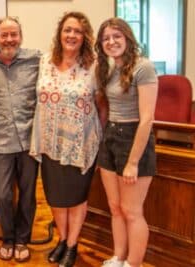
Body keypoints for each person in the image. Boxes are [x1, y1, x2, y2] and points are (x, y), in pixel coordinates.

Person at [29, 11, 102, 267]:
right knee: (56, 196)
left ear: (85, 37)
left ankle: (72, 244)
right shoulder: (45, 60)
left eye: (77, 31)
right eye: (67, 30)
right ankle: (61, 239)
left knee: (76, 196)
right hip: (50, 141)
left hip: (80, 143)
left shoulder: (94, 65)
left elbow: (102, 103)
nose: (71, 35)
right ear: (60, 33)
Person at [95, 18, 158, 267]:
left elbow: (147, 119)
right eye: (106, 38)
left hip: (134, 139)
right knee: (115, 207)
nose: (111, 42)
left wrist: (132, 162)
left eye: (116, 36)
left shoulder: (143, 68)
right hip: (111, 136)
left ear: (128, 38)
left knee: (132, 211)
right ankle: (119, 257)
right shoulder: (110, 69)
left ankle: (134, 263)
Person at [0, 17, 41, 262]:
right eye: (4, 35)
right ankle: (7, 236)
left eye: (14, 34)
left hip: (30, 139)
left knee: (28, 194)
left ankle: (22, 239)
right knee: (1, 194)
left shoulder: (37, 60)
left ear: (21, 35)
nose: (9, 39)